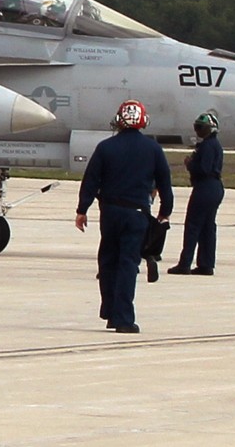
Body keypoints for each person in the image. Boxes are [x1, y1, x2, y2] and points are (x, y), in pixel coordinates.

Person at [75, 100, 174, 333]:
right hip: (137, 214)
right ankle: (123, 319)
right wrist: (164, 213)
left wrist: (82, 209)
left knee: (108, 260)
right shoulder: (153, 149)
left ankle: (109, 309)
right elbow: (165, 185)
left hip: (109, 213)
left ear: (119, 120)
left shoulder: (105, 147)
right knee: (128, 264)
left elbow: (90, 181)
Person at [170, 112, 225, 276]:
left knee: (193, 225)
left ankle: (185, 263)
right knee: (208, 226)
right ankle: (206, 264)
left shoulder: (208, 146)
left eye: (200, 128)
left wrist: (190, 164)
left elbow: (204, 169)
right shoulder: (214, 145)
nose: (198, 131)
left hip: (206, 187)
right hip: (215, 188)